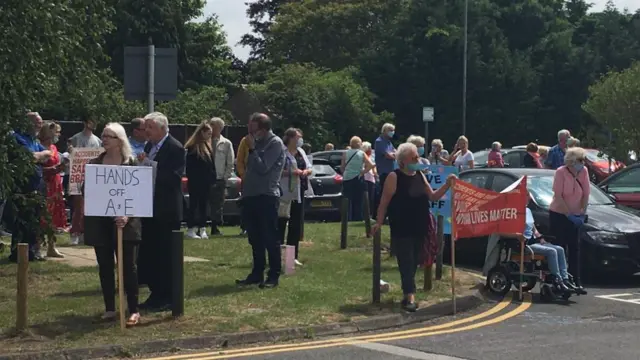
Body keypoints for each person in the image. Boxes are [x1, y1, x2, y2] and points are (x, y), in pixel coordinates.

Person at [372, 142, 455, 312]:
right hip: (401, 226)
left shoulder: (419, 175)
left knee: (416, 261)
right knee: (406, 261)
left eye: (417, 156)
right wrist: (379, 222)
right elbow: (384, 202)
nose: (417, 159)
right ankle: (409, 296)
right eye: (414, 157)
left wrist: (447, 185)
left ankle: (407, 293)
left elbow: (432, 196)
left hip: (420, 225)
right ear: (402, 161)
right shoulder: (394, 177)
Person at [84, 122, 142, 326]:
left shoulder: (131, 163)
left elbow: (140, 194)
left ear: (120, 140)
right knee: (105, 267)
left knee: (128, 267)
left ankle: (133, 309)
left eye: (109, 136)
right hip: (101, 223)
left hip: (126, 224)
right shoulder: (94, 164)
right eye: (103, 135)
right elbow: (87, 191)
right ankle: (110, 308)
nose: (105, 139)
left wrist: (127, 215)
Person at [138, 112, 186, 311]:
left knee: (166, 255)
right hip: (149, 208)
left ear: (162, 128)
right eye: (145, 127)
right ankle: (155, 292)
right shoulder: (149, 146)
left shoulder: (175, 148)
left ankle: (167, 296)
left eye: (150, 127)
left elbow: (174, 179)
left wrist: (150, 166)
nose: (146, 131)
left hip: (167, 210)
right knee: (151, 254)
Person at [235, 113, 285, 289]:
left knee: (269, 237)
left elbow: (264, 167)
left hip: (266, 196)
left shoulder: (274, 143)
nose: (249, 133)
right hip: (251, 196)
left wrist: (253, 148)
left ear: (263, 129)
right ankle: (257, 273)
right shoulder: (254, 143)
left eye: (253, 129)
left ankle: (273, 275)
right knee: (254, 237)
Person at [8, 112, 52, 262]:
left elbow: (48, 156)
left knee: (35, 218)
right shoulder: (17, 138)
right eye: (36, 123)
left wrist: (41, 155)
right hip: (23, 187)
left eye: (40, 123)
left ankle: (31, 251)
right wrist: (41, 155)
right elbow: (30, 157)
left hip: (37, 185)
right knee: (22, 219)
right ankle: (17, 253)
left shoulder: (34, 140)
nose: (39, 125)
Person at [548, 147, 589, 294]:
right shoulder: (561, 172)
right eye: (580, 160)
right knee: (560, 247)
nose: (582, 163)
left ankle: (576, 281)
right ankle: (559, 280)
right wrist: (568, 214)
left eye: (583, 160)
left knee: (575, 249)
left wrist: (582, 213)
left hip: (576, 215)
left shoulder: (583, 172)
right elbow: (558, 196)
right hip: (559, 214)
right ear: (571, 161)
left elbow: (586, 193)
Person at [278, 128, 312, 266]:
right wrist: (292, 172)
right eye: (298, 137)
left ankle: (293, 256)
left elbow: (309, 167)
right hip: (285, 192)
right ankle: (278, 254)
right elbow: (277, 170)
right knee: (281, 222)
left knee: (296, 224)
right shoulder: (282, 152)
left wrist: (305, 171)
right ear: (291, 138)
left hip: (299, 191)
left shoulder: (301, 152)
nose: (300, 139)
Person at [68, 117, 102, 245]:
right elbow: (71, 154)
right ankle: (75, 232)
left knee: (89, 206)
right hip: (78, 175)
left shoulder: (97, 140)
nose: (93, 124)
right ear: (85, 123)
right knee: (78, 206)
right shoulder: (76, 138)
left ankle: (84, 232)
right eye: (91, 122)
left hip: (92, 176)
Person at [38, 121, 66, 258]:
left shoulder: (54, 148)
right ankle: (37, 246)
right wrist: (54, 169)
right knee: (43, 215)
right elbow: (38, 169)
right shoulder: (39, 148)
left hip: (55, 183)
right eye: (57, 132)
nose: (59, 135)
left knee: (54, 215)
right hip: (44, 184)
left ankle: (51, 246)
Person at [184, 121, 215, 239]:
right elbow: (190, 168)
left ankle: (202, 228)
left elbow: (211, 165)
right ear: (202, 132)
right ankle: (191, 228)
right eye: (208, 133)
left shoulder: (208, 146)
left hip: (206, 182)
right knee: (194, 205)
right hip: (195, 181)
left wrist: (213, 178)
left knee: (204, 205)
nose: (210, 136)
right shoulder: (192, 147)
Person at [208, 117, 235, 236]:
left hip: (219, 178)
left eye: (213, 125)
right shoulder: (205, 141)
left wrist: (225, 177)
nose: (211, 128)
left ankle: (215, 226)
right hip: (207, 177)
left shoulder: (226, 143)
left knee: (218, 204)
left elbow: (230, 162)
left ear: (219, 128)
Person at [341, 136, 374, 221]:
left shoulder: (345, 153)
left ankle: (347, 218)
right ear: (359, 144)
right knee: (358, 200)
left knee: (347, 199)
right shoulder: (361, 153)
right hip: (358, 178)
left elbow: (342, 167)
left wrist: (346, 172)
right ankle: (358, 218)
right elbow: (371, 165)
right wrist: (363, 172)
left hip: (347, 178)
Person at [373, 123, 397, 219]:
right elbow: (388, 155)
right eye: (390, 130)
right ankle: (378, 215)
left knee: (390, 193)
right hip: (384, 171)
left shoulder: (389, 143)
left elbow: (396, 153)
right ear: (385, 130)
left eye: (393, 130)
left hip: (390, 171)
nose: (392, 132)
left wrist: (394, 154)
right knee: (383, 193)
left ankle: (387, 215)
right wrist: (394, 155)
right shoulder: (379, 141)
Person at [362, 141, 378, 217]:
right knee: (368, 198)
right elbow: (367, 166)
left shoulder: (370, 157)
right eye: (370, 148)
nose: (371, 150)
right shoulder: (364, 157)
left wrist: (376, 175)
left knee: (372, 199)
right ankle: (367, 215)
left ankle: (370, 215)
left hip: (371, 179)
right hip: (367, 178)